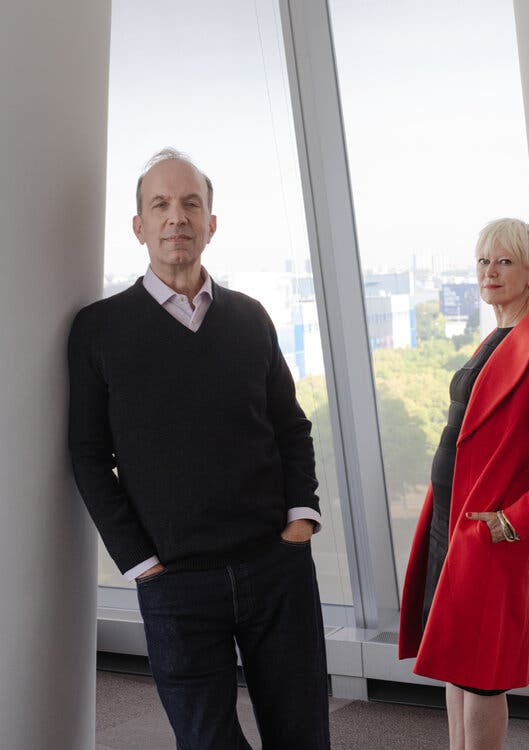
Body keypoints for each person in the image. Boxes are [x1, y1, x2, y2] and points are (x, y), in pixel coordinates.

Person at [68, 148, 330, 750]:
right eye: (159, 204)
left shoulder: (251, 317)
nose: (176, 217)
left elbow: (290, 426)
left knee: (304, 736)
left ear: (212, 222)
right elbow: (87, 454)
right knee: (208, 742)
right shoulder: (99, 329)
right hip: (175, 584)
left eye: (191, 203)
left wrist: (300, 521)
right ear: (139, 226)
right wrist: (140, 563)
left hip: (276, 567)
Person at [398, 218, 529, 750]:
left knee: (482, 670)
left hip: (488, 528)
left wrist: (516, 519)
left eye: (504, 261)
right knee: (456, 661)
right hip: (453, 518)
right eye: (484, 261)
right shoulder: (501, 335)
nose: (490, 272)